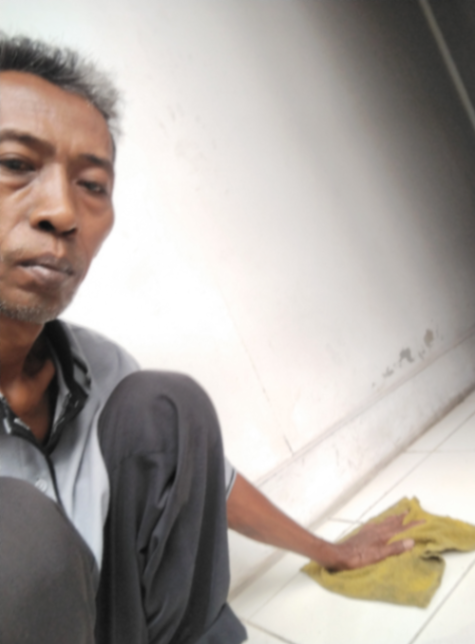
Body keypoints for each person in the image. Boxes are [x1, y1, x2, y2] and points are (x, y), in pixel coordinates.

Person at [0, 34, 419, 644]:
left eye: (91, 184)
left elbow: (205, 482)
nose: (62, 212)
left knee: (167, 405)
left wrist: (329, 550)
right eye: (15, 164)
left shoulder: (99, 368)